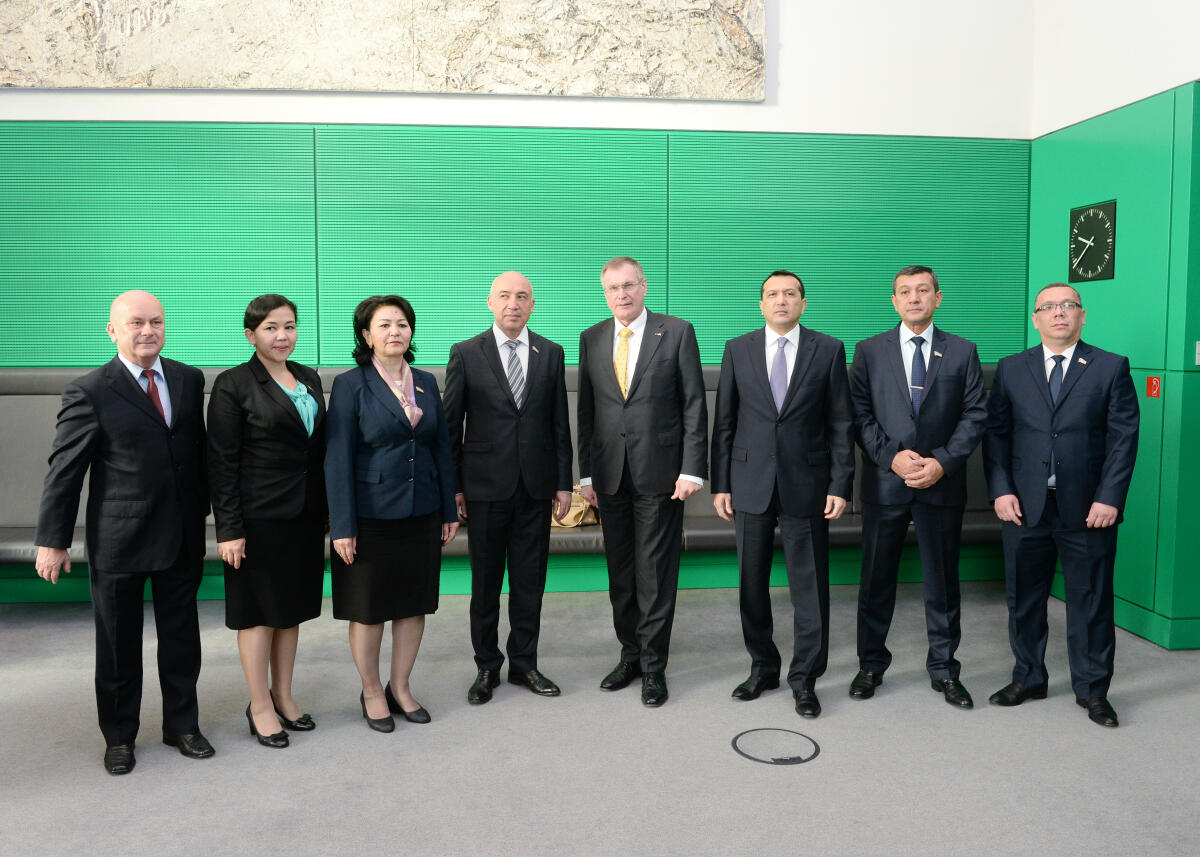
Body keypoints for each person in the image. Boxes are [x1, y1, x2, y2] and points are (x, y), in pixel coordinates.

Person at [34, 290, 213, 775]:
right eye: (136, 322)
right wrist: (53, 540)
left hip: (181, 535)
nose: (148, 331)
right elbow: (64, 471)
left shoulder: (187, 378)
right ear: (113, 330)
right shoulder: (89, 390)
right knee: (118, 645)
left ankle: (182, 725)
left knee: (182, 640)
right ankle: (119, 737)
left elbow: (195, 455)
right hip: (120, 541)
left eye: (155, 321)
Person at [984, 283, 1139, 728]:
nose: (1058, 313)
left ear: (1082, 315)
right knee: (1024, 599)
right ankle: (1028, 677)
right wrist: (1001, 490)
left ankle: (1092, 691)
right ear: (1035, 319)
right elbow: (996, 435)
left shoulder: (1110, 367)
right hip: (1024, 506)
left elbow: (1123, 439)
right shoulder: (1013, 369)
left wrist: (1109, 496)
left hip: (1088, 508)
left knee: (1090, 602)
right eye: (1048, 307)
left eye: (1067, 306)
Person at [711, 270, 854, 718]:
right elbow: (726, 424)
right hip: (749, 484)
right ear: (761, 305)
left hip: (808, 486)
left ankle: (805, 678)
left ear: (803, 304)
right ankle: (762, 667)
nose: (781, 301)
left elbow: (840, 425)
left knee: (808, 589)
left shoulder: (828, 350)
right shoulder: (738, 349)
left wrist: (840, 484)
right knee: (751, 585)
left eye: (790, 294)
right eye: (772, 294)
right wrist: (722, 484)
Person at [848, 265, 987, 708]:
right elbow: (859, 415)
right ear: (893, 301)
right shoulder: (869, 351)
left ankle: (945, 670)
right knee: (875, 579)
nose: (914, 298)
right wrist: (890, 455)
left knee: (943, 582)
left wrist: (941, 463)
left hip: (940, 485)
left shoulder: (963, 352)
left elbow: (975, 416)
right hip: (886, 483)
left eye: (922, 291)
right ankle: (870, 665)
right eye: (905, 292)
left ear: (938, 297)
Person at [577, 256, 708, 707]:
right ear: (605, 292)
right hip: (609, 475)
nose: (622, 294)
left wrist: (692, 469)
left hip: (662, 475)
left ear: (644, 287)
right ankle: (630, 655)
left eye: (629, 285)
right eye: (613, 288)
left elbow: (694, 404)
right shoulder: (592, 337)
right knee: (622, 574)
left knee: (655, 573)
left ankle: (654, 668)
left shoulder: (676, 332)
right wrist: (586, 474)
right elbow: (588, 412)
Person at [325, 295, 458, 732]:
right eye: (384, 325)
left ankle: (400, 686)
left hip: (421, 512)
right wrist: (342, 525)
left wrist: (446, 508)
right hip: (370, 518)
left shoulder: (425, 381)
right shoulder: (350, 384)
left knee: (412, 605)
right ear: (366, 335)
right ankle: (370, 690)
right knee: (368, 610)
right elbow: (338, 458)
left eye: (402, 324)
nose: (394, 332)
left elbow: (439, 448)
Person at [443, 272, 574, 705]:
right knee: (484, 585)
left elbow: (559, 423)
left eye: (522, 297)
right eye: (505, 296)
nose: (513, 303)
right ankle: (486, 667)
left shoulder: (550, 353)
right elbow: (450, 428)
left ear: (532, 305)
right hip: (483, 489)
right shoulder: (466, 353)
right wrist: (454, 487)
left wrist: (562, 483)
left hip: (535, 489)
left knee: (529, 582)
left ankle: (524, 664)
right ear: (490, 302)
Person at [207, 294, 326, 748]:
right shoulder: (233, 384)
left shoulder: (309, 377)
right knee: (258, 615)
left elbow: (315, 449)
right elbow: (221, 462)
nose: (282, 336)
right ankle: (259, 705)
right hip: (257, 520)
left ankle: (284, 695)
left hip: (305, 515)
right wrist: (230, 529)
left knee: (290, 610)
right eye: (272, 328)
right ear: (250, 335)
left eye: (290, 326)